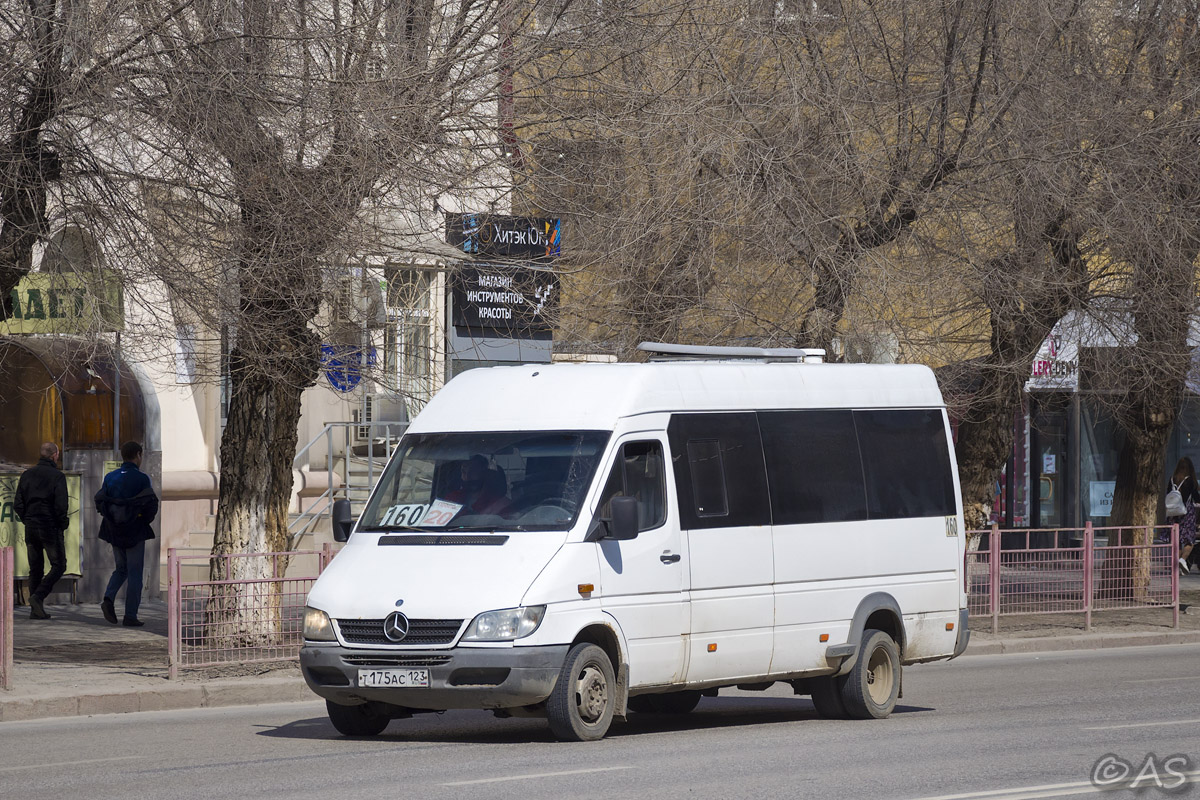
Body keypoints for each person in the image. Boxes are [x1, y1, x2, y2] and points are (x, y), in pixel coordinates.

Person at [95, 441, 159, 627]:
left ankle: (108, 597)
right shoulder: (142, 478)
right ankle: (130, 615)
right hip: (134, 531)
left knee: (121, 568)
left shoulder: (110, 477)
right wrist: (142, 521)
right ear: (138, 455)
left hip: (114, 530)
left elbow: (102, 501)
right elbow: (150, 504)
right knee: (134, 573)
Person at [13, 442, 69, 620]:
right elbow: (61, 506)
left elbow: (18, 504)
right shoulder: (57, 476)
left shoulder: (27, 475)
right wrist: (62, 523)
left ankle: (35, 610)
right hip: (49, 526)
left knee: (35, 568)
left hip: (31, 526)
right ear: (55, 455)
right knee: (59, 565)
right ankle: (38, 597)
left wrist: (27, 519)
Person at [446, 454, 510, 516]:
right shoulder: (451, 500)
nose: (468, 476)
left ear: (484, 473)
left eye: (472, 471)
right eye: (464, 471)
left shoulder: (501, 504)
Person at [1166, 456, 1199, 575]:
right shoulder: (1190, 480)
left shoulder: (1172, 479)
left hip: (1173, 514)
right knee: (1190, 541)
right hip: (1186, 514)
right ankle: (1182, 560)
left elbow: (1168, 494)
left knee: (1177, 541)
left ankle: (1175, 569)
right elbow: (1196, 497)